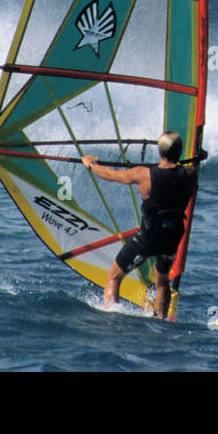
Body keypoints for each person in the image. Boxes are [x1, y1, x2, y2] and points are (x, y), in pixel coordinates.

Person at [82, 131, 198, 317]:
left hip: (149, 237)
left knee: (113, 277)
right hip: (172, 237)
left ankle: (112, 318)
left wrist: (91, 164)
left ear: (160, 151)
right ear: (180, 151)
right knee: (162, 283)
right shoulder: (191, 174)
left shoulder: (143, 174)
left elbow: (110, 175)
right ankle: (162, 320)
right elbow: (182, 174)